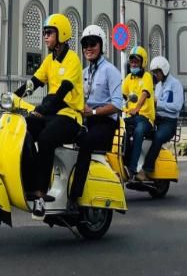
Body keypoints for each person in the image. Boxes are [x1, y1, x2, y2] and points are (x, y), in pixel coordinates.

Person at [14, 13, 83, 219]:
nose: (45, 37)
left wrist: (42, 109)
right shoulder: (50, 60)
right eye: (44, 33)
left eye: (49, 33)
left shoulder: (72, 60)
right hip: (53, 115)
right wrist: (14, 96)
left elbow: (61, 93)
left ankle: (40, 194)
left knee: (45, 139)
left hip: (70, 117)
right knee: (23, 129)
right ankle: (29, 181)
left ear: (61, 34)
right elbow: (33, 83)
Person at [70, 25, 123, 204]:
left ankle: (74, 196)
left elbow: (117, 104)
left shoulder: (111, 71)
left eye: (93, 43)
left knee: (84, 142)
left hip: (105, 124)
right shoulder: (83, 73)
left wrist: (92, 112)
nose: (88, 48)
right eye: (85, 44)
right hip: (86, 121)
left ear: (101, 46)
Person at [141, 56, 183, 179]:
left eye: (157, 72)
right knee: (138, 131)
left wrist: (158, 103)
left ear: (163, 71)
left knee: (158, 137)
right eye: (154, 72)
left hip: (169, 123)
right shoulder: (158, 86)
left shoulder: (175, 85)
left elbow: (177, 106)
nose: (155, 75)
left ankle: (147, 168)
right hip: (157, 120)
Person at [122, 46, 156, 181]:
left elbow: (144, 94)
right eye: (132, 62)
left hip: (145, 119)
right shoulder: (129, 78)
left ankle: (133, 168)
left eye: (136, 62)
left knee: (138, 132)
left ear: (143, 63)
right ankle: (123, 161)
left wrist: (137, 108)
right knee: (118, 129)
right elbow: (122, 95)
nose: (134, 64)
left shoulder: (147, 77)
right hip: (132, 117)